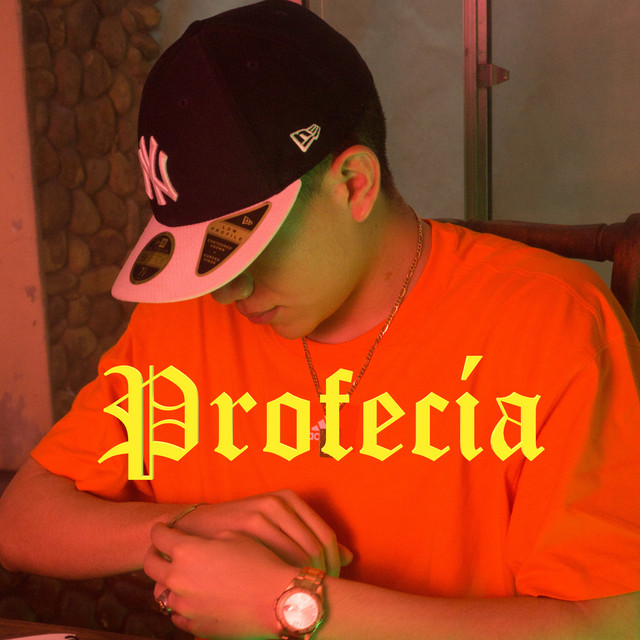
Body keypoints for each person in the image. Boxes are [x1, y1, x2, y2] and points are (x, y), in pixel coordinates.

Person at [1, 1, 639, 638]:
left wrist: (292, 605)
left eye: (245, 247)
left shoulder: (551, 323)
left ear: (354, 184)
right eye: (203, 258)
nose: (226, 291)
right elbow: (22, 519)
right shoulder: (182, 322)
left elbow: (613, 622)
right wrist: (188, 522)